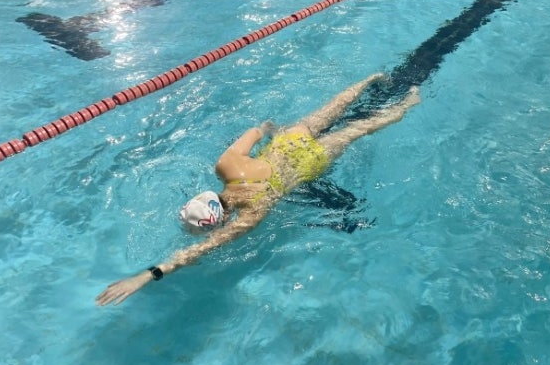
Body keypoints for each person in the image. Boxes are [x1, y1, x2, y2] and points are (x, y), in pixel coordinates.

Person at [96, 74, 420, 306]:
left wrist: (147, 275)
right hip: (289, 140)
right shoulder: (226, 165)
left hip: (310, 163)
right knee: (333, 107)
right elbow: (257, 130)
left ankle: (407, 104)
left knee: (358, 129)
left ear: (222, 221)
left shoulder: (253, 212)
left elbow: (198, 251)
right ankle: (371, 79)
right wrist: (268, 130)